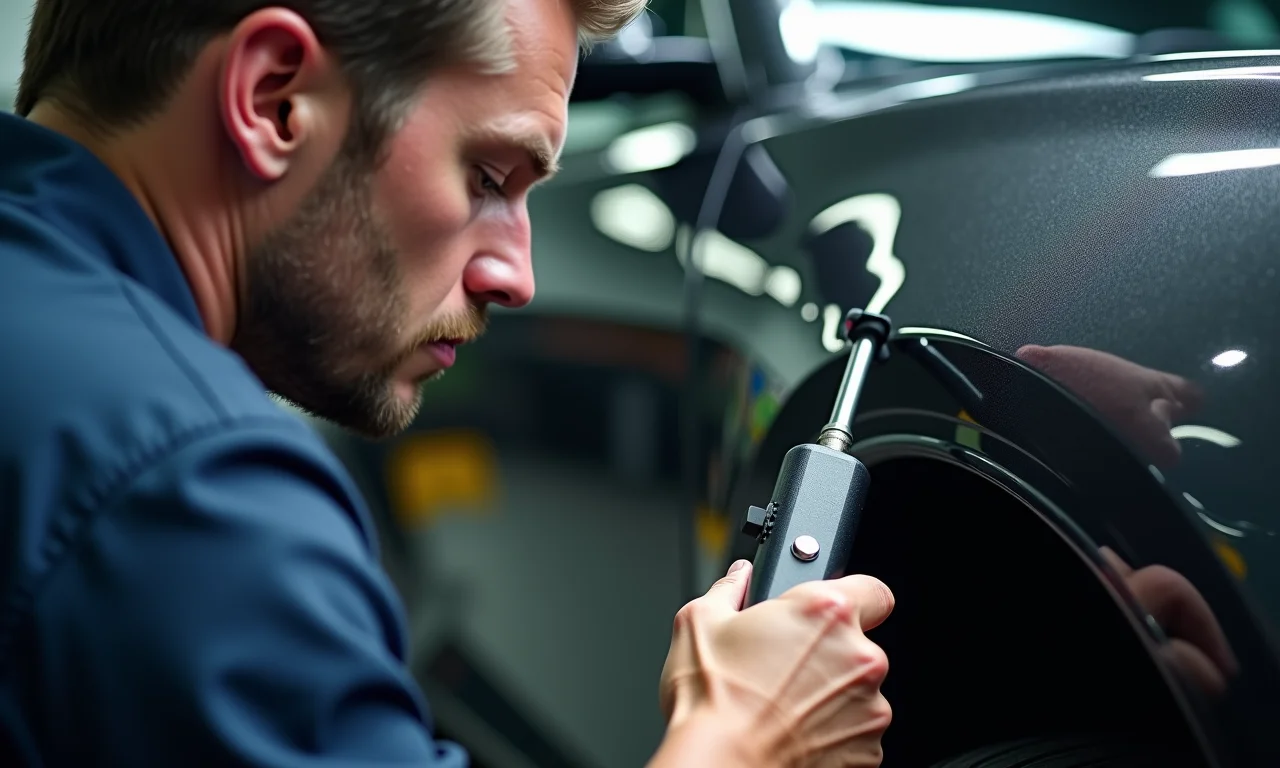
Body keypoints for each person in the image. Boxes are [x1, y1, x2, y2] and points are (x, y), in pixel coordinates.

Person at [0, 1, 897, 766]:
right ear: (274, 99)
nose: (516, 277)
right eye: (488, 177)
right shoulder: (193, 489)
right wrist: (741, 741)